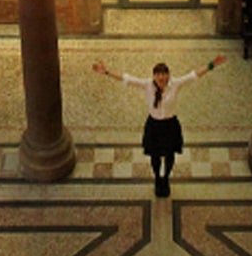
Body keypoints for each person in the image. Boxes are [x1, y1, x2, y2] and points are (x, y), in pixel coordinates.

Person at [93, 54, 226, 197]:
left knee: (170, 155)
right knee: (155, 156)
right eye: (158, 75)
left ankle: (166, 178)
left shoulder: (175, 84)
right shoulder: (147, 85)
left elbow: (193, 75)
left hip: (170, 125)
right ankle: (157, 178)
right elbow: (127, 79)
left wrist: (212, 65)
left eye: (164, 74)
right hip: (154, 126)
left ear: (168, 75)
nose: (161, 78)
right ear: (154, 76)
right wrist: (107, 72)